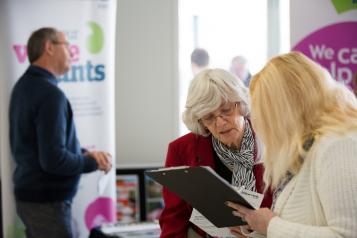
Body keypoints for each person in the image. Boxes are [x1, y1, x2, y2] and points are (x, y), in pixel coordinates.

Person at [227, 52, 357, 238]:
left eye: (264, 113)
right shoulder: (308, 149)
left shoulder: (338, 144)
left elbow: (347, 235)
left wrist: (270, 226)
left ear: (285, 110)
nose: (259, 125)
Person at [9, 27, 112, 238]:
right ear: (49, 47)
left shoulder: (24, 86)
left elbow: (46, 145)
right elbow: (54, 159)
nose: (72, 53)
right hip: (47, 204)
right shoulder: (49, 94)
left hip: (35, 201)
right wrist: (92, 162)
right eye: (67, 46)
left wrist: (85, 154)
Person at [159, 68, 272, 238]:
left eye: (226, 110)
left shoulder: (271, 139)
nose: (220, 123)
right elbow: (173, 219)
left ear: (241, 104)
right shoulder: (181, 149)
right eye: (208, 117)